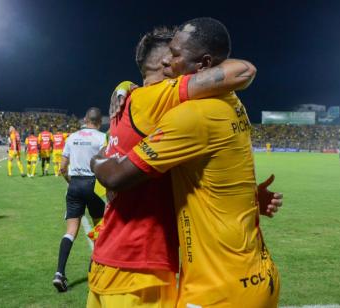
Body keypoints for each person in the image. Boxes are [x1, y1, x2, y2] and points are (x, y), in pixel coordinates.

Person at [91, 18, 282, 307]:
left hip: (214, 290)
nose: (169, 60)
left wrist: (95, 159)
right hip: (257, 275)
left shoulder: (188, 115)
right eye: (167, 54)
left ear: (204, 64)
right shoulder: (234, 104)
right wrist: (249, 197)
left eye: (176, 54)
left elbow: (116, 176)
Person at [53, 107, 107, 293]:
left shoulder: (72, 137)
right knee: (100, 228)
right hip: (93, 185)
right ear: (99, 122)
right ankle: (94, 270)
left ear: (85, 119)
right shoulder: (102, 138)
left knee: (70, 231)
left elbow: (62, 168)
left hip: (75, 184)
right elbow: (106, 164)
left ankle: (59, 273)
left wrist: (70, 182)